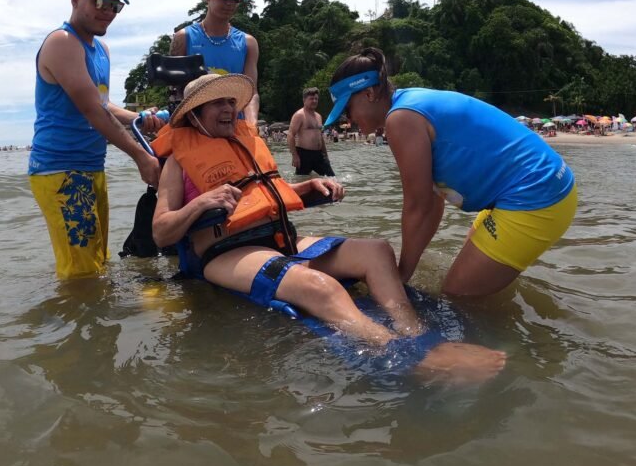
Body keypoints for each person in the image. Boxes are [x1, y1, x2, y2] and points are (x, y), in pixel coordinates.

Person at [151, 73, 506, 381]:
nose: (229, 108)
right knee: (321, 288)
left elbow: (262, 195)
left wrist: (305, 188)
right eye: (217, 103)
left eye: (231, 100)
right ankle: (409, 355)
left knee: (377, 251)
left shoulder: (246, 143)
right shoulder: (178, 164)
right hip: (226, 252)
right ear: (194, 115)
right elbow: (161, 231)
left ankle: (414, 330)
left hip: (279, 240)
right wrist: (200, 202)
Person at [324, 48, 577, 298]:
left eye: (347, 110)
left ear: (368, 93)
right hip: (551, 185)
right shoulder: (409, 102)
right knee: (466, 276)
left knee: (456, 294)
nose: (349, 121)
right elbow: (433, 201)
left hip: (536, 196)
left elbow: (417, 205)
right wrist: (407, 270)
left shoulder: (400, 119)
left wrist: (400, 275)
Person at [28, 0, 163, 280]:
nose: (109, 11)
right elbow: (92, 110)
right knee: (81, 272)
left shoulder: (100, 49)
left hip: (90, 166)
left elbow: (102, 104)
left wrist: (140, 119)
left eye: (116, 5)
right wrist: (141, 156)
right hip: (61, 171)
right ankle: (74, 325)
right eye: (100, 1)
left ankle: (93, 323)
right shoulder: (62, 42)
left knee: (97, 261)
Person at [169, 0, 260, 123]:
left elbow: (251, 92)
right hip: (196, 129)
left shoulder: (248, 43)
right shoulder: (183, 38)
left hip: (233, 127)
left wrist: (251, 127)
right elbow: (174, 93)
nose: (230, 3)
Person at [288, 87, 335, 177]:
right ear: (304, 100)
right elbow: (290, 135)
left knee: (332, 178)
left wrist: (326, 155)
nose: (314, 101)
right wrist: (295, 156)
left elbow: (320, 137)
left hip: (319, 154)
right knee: (301, 180)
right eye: (311, 99)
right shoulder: (299, 115)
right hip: (304, 155)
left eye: (316, 99)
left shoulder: (318, 116)